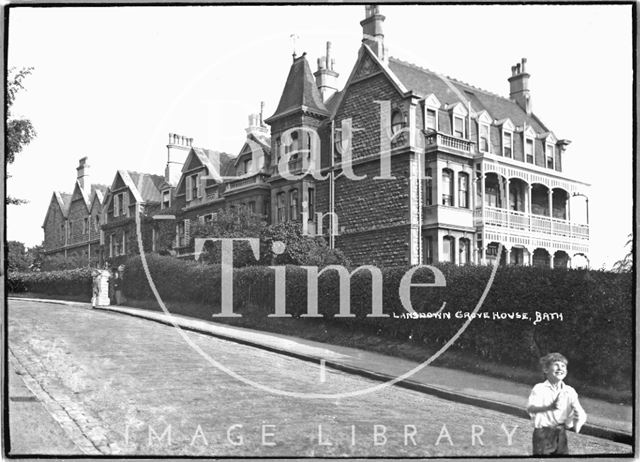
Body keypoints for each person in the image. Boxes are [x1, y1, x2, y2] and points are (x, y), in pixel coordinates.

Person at [527, 352, 587, 455]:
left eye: (563, 366)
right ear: (546, 370)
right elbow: (531, 409)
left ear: (566, 371)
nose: (560, 368)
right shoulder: (539, 388)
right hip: (543, 433)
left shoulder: (569, 391)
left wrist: (576, 423)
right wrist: (548, 408)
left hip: (561, 433)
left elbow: (579, 411)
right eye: (556, 365)